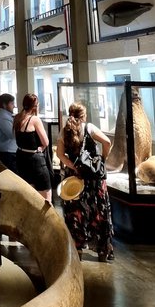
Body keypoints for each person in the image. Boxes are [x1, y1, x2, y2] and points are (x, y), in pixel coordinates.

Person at [56, 102, 114, 262]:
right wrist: (102, 159)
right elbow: (107, 142)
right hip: (94, 179)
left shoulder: (65, 131)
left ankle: (78, 248)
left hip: (76, 179)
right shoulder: (89, 128)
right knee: (99, 212)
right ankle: (103, 250)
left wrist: (74, 167)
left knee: (76, 212)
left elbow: (60, 154)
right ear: (83, 115)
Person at [14, 93, 52, 203]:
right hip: (35, 161)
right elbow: (46, 142)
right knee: (46, 197)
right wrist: (42, 147)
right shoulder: (35, 119)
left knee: (30, 195)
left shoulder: (17, 118)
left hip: (21, 158)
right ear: (35, 106)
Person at [0, 93, 17, 172]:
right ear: (4, 105)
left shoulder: (6, 116)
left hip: (9, 153)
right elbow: (12, 134)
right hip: (7, 154)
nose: (14, 106)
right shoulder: (3, 117)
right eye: (12, 104)